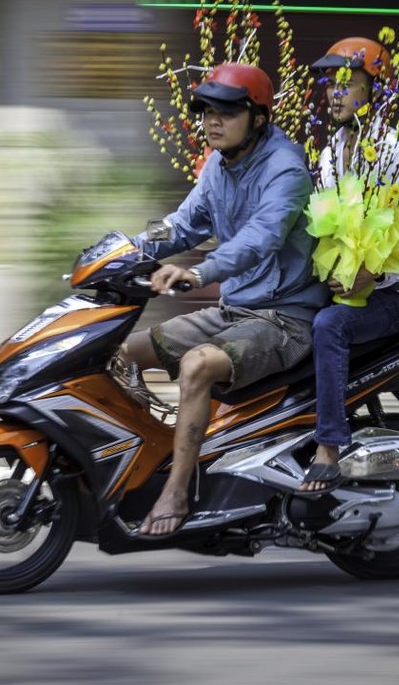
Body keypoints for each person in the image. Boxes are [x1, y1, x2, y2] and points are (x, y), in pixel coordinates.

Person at [123, 62, 329, 536]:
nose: (212, 120)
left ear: (258, 117)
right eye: (206, 110)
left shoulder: (286, 170)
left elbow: (260, 238)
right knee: (119, 352)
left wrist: (197, 271)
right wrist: (124, 251)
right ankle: (156, 459)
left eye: (227, 111)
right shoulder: (218, 165)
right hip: (235, 310)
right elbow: (181, 222)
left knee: (196, 366)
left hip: (285, 317)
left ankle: (175, 491)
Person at [300, 37, 399, 492]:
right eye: (331, 84)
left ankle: (328, 447)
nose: (334, 93)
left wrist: (361, 275)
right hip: (345, 285)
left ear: (377, 92)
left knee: (329, 326)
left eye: (347, 84)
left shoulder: (397, 152)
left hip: (390, 297)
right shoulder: (334, 150)